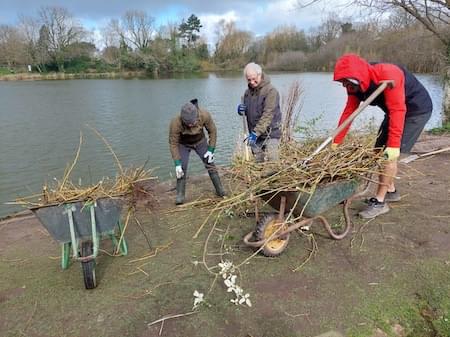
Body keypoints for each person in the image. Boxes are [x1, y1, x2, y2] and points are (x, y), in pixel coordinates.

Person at [332, 53, 433, 219]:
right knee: (378, 152)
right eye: (342, 82)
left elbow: (398, 110)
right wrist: (336, 141)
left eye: (346, 82)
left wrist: (393, 146)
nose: (345, 86)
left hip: (415, 110)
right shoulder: (353, 85)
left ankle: (380, 202)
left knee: (388, 157)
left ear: (356, 76)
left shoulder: (388, 74)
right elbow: (349, 113)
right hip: (393, 111)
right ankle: (391, 191)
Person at [169, 99, 225, 205]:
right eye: (188, 124)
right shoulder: (175, 122)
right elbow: (173, 143)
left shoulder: (204, 115)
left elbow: (212, 131)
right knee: (182, 168)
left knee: (210, 163)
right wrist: (177, 163)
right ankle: (180, 195)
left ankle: (220, 190)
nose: (191, 125)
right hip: (183, 144)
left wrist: (211, 150)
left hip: (200, 141)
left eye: (193, 123)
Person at [237, 62, 282, 162]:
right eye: (249, 80)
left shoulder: (271, 91)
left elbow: (268, 115)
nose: (252, 82)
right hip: (255, 135)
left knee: (272, 162)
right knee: (258, 163)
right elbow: (248, 112)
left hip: (270, 133)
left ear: (260, 75)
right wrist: (241, 110)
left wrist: (255, 133)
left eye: (254, 79)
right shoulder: (247, 93)